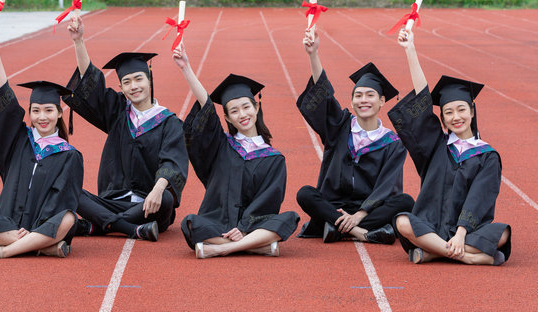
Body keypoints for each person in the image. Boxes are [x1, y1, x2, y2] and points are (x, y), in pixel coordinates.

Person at [388, 28, 511, 265]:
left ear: (472, 111)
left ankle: (434, 252)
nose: (456, 117)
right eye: (448, 112)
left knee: (503, 233)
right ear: (442, 119)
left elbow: (480, 197)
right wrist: (410, 50)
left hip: (467, 231)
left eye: (462, 109)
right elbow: (423, 103)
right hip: (430, 225)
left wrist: (461, 232)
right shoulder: (436, 146)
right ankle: (469, 258)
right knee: (403, 222)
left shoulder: (487, 156)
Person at [63, 16, 188, 241]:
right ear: (120, 86)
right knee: (67, 187)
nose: (134, 86)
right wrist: (78, 41)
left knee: (167, 199)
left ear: (149, 79)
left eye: (139, 79)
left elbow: (173, 162)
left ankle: (98, 225)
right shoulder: (118, 112)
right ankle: (128, 228)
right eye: (127, 82)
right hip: (114, 199)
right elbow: (93, 88)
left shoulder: (169, 122)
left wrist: (158, 190)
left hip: (150, 204)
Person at [172, 44, 300, 258]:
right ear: (227, 118)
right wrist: (186, 68)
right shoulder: (221, 146)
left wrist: (243, 227)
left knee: (289, 218)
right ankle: (257, 246)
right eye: (234, 110)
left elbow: (268, 201)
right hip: (218, 220)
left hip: (253, 225)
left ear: (256, 108)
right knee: (190, 223)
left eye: (246, 107)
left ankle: (223, 248)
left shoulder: (274, 159)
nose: (242, 114)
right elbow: (207, 109)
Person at [0, 26, 83, 259]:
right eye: (36, 110)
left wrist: (39, 226)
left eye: (49, 110)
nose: (42, 117)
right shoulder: (20, 140)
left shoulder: (69, 155)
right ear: (29, 112)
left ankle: (1, 252)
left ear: (60, 113)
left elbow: (63, 200)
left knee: (69, 219)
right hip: (11, 221)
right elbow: (4, 97)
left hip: (43, 224)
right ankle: (41, 247)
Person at [295, 29, 414, 245]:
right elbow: (324, 96)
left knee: (405, 201)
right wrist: (313, 54)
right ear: (351, 102)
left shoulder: (393, 144)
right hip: (333, 204)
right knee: (305, 193)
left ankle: (336, 227)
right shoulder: (340, 127)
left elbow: (387, 185)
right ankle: (362, 234)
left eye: (370, 95)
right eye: (358, 95)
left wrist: (360, 214)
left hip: (368, 209)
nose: (363, 100)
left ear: (382, 101)